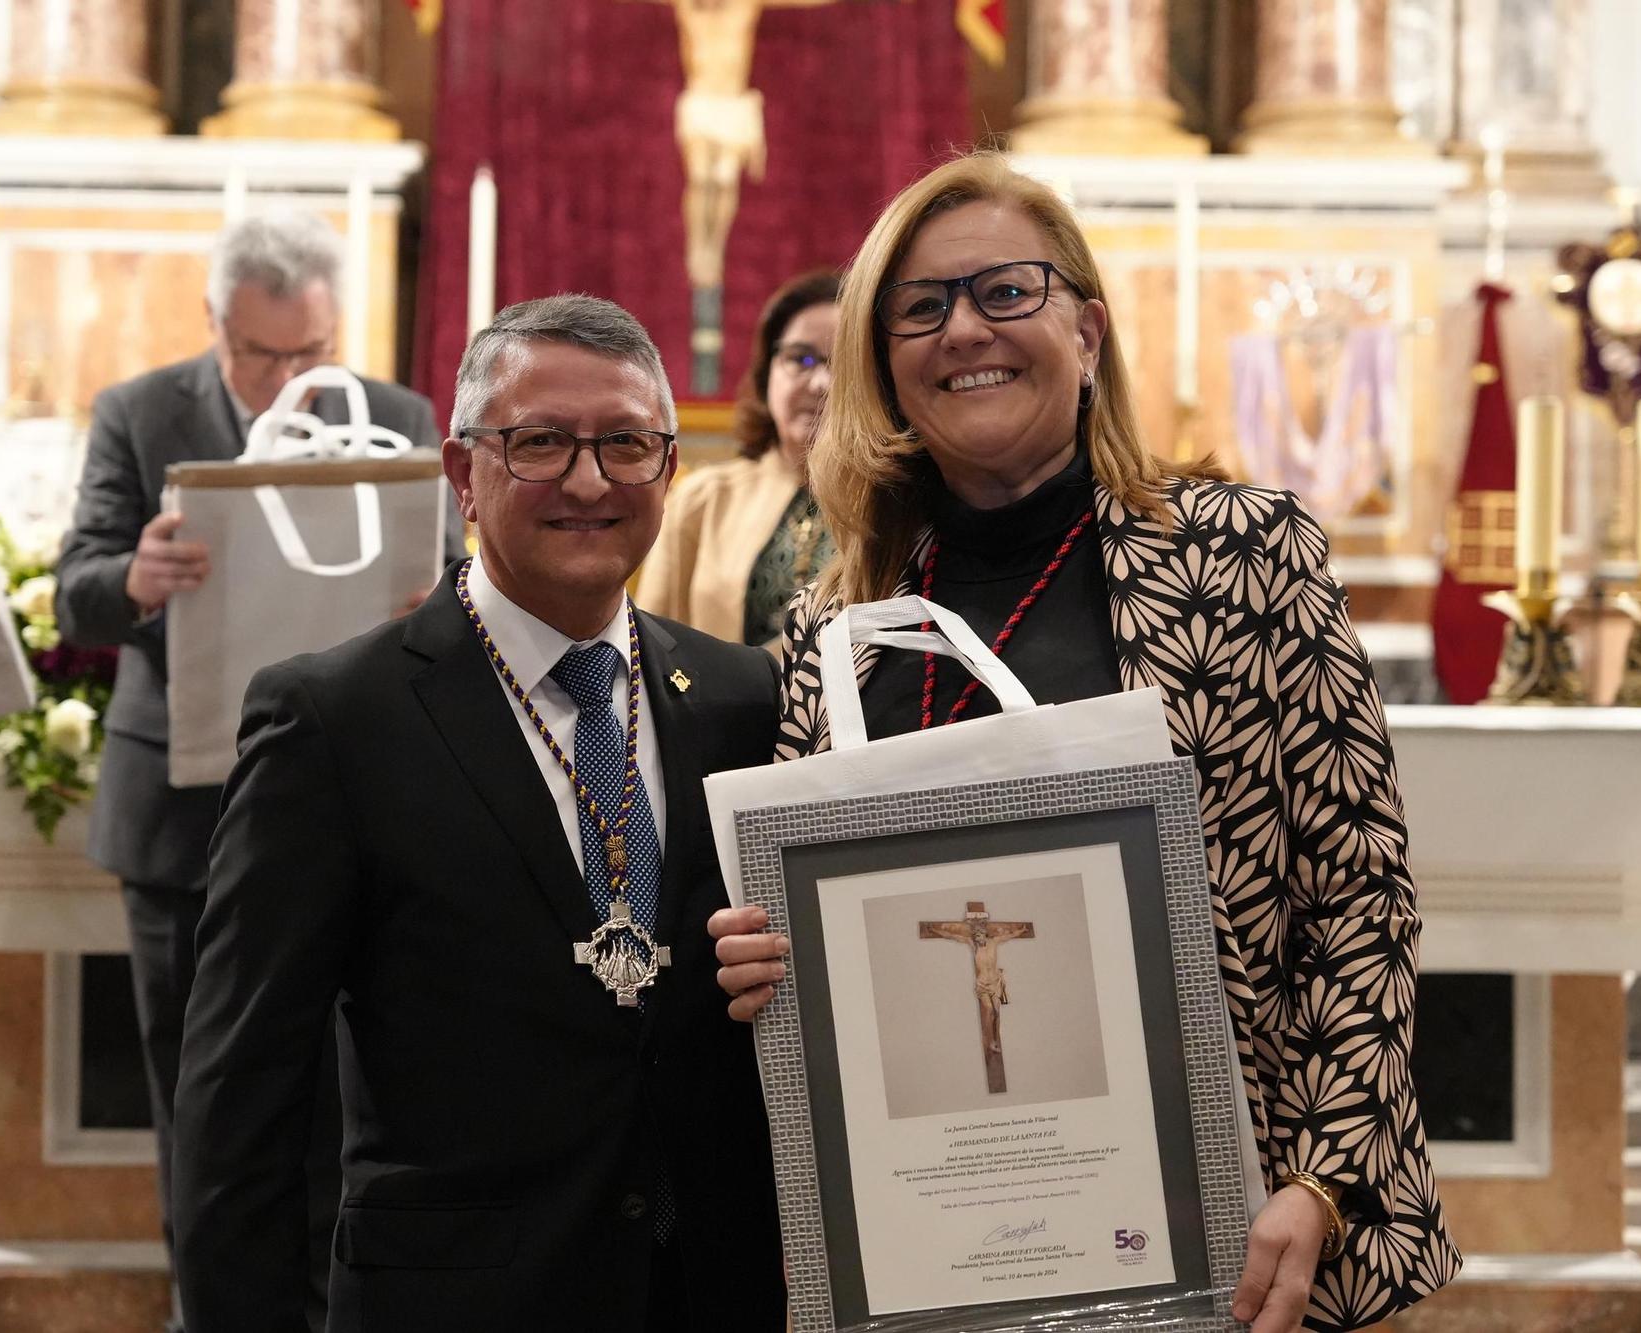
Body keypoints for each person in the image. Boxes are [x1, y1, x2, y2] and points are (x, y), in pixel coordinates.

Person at [708, 151, 1460, 1333]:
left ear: (1088, 329)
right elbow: (837, 963)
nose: (963, 330)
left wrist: (1320, 1179)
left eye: (1005, 290)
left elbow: (1359, 898)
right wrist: (766, 964)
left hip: (1234, 1213)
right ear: (883, 366)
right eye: (920, 308)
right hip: (937, 1249)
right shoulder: (834, 631)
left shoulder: (1240, 554)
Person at [172, 295, 786, 1332]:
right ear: (462, 472)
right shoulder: (335, 719)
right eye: (540, 442)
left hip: (706, 1295)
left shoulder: (738, 699)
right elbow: (241, 1094)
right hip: (453, 1299)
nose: (589, 481)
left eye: (627, 444)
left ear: (670, 470)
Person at [53, 209, 450, 1333]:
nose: (290, 378)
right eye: (263, 354)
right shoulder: (139, 413)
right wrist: (136, 575)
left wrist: (435, 603)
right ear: (216, 324)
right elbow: (72, 587)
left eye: (310, 352)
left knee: (345, 1098)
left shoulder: (399, 418)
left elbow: (463, 587)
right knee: (199, 1097)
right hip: (181, 816)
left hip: (352, 811)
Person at [636, 270, 839, 648]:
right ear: (767, 373)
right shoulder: (703, 499)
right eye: (802, 359)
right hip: (715, 706)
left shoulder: (894, 502)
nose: (821, 383)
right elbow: (650, 645)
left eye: (842, 363)